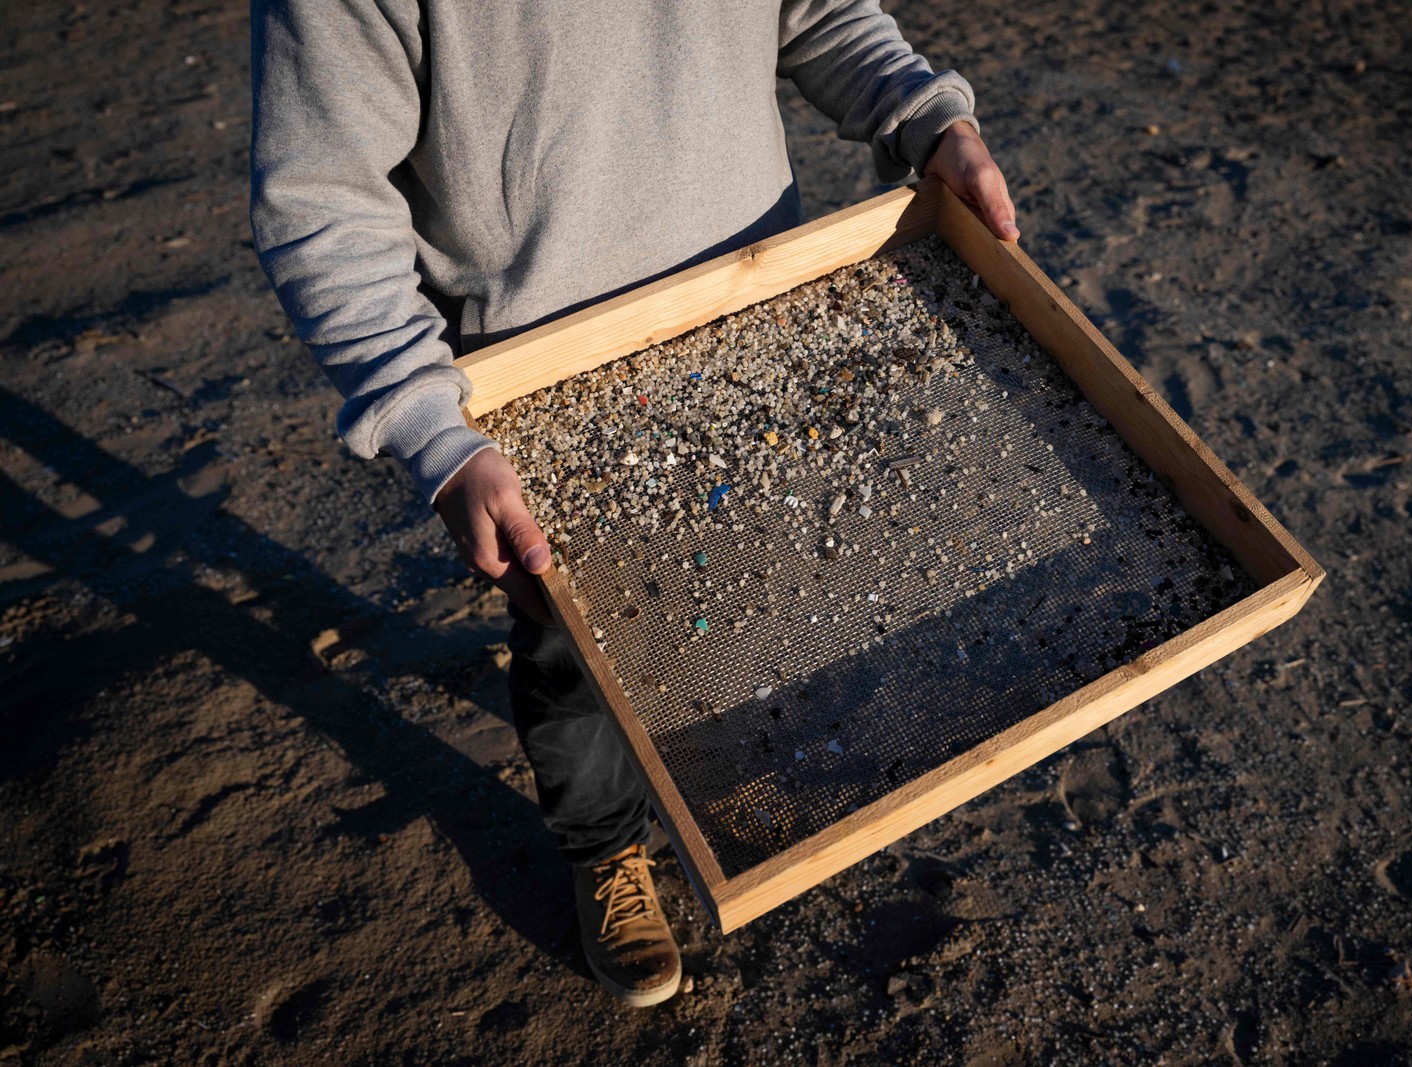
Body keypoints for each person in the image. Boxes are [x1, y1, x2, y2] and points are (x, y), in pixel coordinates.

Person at [250, 0, 1018, 1008]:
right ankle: (603, 844)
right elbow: (321, 200)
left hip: (755, 313)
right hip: (543, 374)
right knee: (578, 659)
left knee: (741, 587)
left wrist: (931, 121)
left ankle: (714, 759)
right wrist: (436, 439)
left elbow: (823, 13)